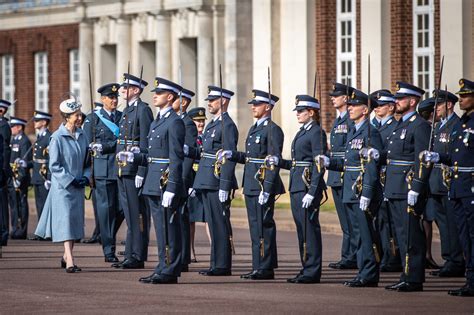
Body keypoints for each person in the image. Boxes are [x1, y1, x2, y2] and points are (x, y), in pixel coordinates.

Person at [120, 77, 185, 284]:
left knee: (168, 228)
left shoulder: (174, 122)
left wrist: (172, 187)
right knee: (160, 228)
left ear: (170, 97)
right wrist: (134, 156)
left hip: (165, 183)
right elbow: (150, 155)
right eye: (154, 92)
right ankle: (162, 266)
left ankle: (170, 269)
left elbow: (176, 158)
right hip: (153, 182)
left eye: (159, 93)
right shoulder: (158, 121)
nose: (154, 95)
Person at [218, 89, 285, 280]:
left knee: (264, 225)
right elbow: (250, 158)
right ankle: (259, 265)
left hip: (262, 185)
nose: (253, 107)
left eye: (257, 104)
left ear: (268, 107)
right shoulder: (255, 128)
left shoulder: (272, 130)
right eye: (253, 104)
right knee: (255, 226)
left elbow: (273, 162)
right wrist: (234, 155)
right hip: (251, 184)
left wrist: (268, 187)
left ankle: (265, 267)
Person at [318, 90, 383, 287]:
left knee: (366, 233)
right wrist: (329, 162)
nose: (350, 108)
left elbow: (372, 165)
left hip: (362, 191)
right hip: (351, 189)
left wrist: (368, 192)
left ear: (365, 110)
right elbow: (347, 163)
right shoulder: (354, 131)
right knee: (358, 234)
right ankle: (363, 271)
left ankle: (369, 273)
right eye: (350, 105)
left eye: (354, 106)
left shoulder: (371, 133)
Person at [371, 82, 430, 292]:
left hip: (407, 187)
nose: (396, 102)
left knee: (411, 234)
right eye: (396, 99)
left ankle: (413, 278)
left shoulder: (419, 125)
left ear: (412, 101)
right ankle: (406, 274)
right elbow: (393, 154)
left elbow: (422, 160)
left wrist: (417, 186)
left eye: (400, 99)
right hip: (394, 188)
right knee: (401, 234)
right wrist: (379, 155)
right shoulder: (400, 124)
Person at [423, 78, 474, 296]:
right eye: (460, 96)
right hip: (455, 186)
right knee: (463, 234)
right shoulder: (462, 124)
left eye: (465, 96)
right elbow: (453, 156)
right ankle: (470, 279)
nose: (462, 99)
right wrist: (437, 157)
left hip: (468, 186)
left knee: (469, 234)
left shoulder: (464, 124)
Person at [270, 94, 327, 284]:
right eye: (298, 111)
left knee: (309, 229)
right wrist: (280, 162)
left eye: (301, 111)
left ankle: (312, 270)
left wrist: (312, 191)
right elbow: (297, 162)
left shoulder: (316, 132)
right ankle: (306, 267)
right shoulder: (304, 131)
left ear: (311, 112)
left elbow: (319, 164)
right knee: (302, 230)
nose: (298, 114)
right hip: (297, 185)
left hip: (306, 186)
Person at [185, 85, 239, 276]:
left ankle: (222, 265)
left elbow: (229, 157)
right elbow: (205, 153)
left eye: (212, 100)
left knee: (219, 224)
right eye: (208, 100)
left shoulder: (228, 126)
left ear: (223, 101)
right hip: (206, 181)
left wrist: (225, 184)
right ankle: (215, 263)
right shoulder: (212, 124)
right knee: (213, 224)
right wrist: (188, 151)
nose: (209, 103)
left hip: (217, 182)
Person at [35, 98, 91, 273]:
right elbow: (54, 165)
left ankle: (66, 255)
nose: (80, 118)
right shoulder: (57, 138)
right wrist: (69, 180)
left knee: (74, 222)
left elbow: (88, 162)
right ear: (67, 117)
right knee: (66, 220)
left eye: (80, 114)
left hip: (78, 187)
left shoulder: (83, 136)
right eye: (76, 115)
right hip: (63, 188)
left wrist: (86, 177)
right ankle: (71, 261)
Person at [113, 73, 153, 269]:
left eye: (126, 87)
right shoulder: (127, 110)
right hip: (122, 168)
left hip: (134, 168)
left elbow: (146, 145)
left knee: (137, 214)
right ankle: (130, 253)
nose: (122, 90)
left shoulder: (143, 111)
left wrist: (142, 171)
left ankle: (137, 255)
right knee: (129, 213)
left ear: (136, 90)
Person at [426, 89, 465, 277]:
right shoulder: (438, 126)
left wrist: (439, 156)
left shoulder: (457, 125)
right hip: (435, 182)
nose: (436, 109)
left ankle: (456, 261)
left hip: (448, 181)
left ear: (449, 105)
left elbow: (457, 155)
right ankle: (448, 258)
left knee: (452, 224)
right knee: (442, 224)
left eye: (438, 105)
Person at [84, 83, 123, 263]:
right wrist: (86, 172)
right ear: (103, 99)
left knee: (122, 209)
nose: (114, 100)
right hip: (103, 171)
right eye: (110, 97)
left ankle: (107, 236)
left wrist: (107, 146)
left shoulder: (122, 117)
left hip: (121, 170)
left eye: (115, 97)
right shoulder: (93, 119)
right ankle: (109, 250)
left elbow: (125, 142)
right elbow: (85, 146)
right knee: (106, 211)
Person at [370, 90, 402, 272]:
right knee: (380, 220)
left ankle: (393, 257)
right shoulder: (374, 126)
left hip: (388, 177)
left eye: (380, 106)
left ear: (391, 107)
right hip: (376, 179)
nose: (376, 109)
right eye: (375, 106)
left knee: (389, 220)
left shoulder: (394, 127)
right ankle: (383, 255)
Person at [326, 83, 357, 270]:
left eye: (336, 95)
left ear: (346, 98)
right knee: (344, 222)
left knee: (351, 220)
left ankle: (351, 256)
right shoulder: (338, 121)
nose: (332, 98)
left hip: (345, 173)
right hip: (335, 174)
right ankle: (347, 255)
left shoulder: (350, 120)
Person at [171, 87, 197, 272]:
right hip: (174, 174)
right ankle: (178, 256)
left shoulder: (187, 123)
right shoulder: (175, 120)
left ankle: (184, 258)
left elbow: (187, 154)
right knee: (176, 217)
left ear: (184, 102)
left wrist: (184, 178)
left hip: (182, 176)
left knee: (182, 217)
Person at [187, 107, 211, 262]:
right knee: (191, 218)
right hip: (192, 178)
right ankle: (190, 251)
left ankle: (215, 249)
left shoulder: (208, 136)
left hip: (206, 179)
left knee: (210, 217)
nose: (201, 124)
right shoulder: (189, 137)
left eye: (202, 121)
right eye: (198, 121)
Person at [82, 102, 105, 244]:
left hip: (100, 168)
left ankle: (101, 233)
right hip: (94, 168)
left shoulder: (93, 120)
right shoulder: (91, 120)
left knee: (101, 205)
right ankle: (98, 232)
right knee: (98, 205)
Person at [28, 111, 52, 241]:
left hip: (44, 176)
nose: (35, 123)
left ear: (44, 122)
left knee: (44, 204)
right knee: (38, 204)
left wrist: (49, 177)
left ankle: (46, 232)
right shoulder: (40, 137)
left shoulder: (48, 137)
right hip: (37, 175)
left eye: (37, 121)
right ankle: (40, 231)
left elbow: (50, 159)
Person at [8, 117, 32, 240]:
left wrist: (20, 178)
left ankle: (22, 230)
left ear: (19, 127)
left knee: (21, 204)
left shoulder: (24, 141)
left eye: (13, 126)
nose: (11, 129)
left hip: (20, 178)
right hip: (12, 177)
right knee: (13, 205)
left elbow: (24, 162)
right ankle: (15, 228)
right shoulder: (13, 141)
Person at [0, 99, 11, 246]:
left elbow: (4, 151)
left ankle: (3, 235)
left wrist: (3, 170)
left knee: (2, 207)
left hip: (1, 172)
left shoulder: (3, 125)